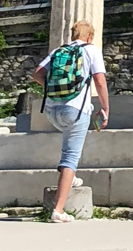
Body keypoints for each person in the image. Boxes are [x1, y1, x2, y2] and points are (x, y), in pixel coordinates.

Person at [30, 19, 108, 223]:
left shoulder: (59, 51)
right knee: (70, 158)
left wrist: (57, 90)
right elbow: (99, 81)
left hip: (52, 111)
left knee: (67, 150)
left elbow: (37, 74)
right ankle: (58, 209)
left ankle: (69, 179)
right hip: (76, 110)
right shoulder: (91, 50)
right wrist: (105, 108)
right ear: (90, 37)